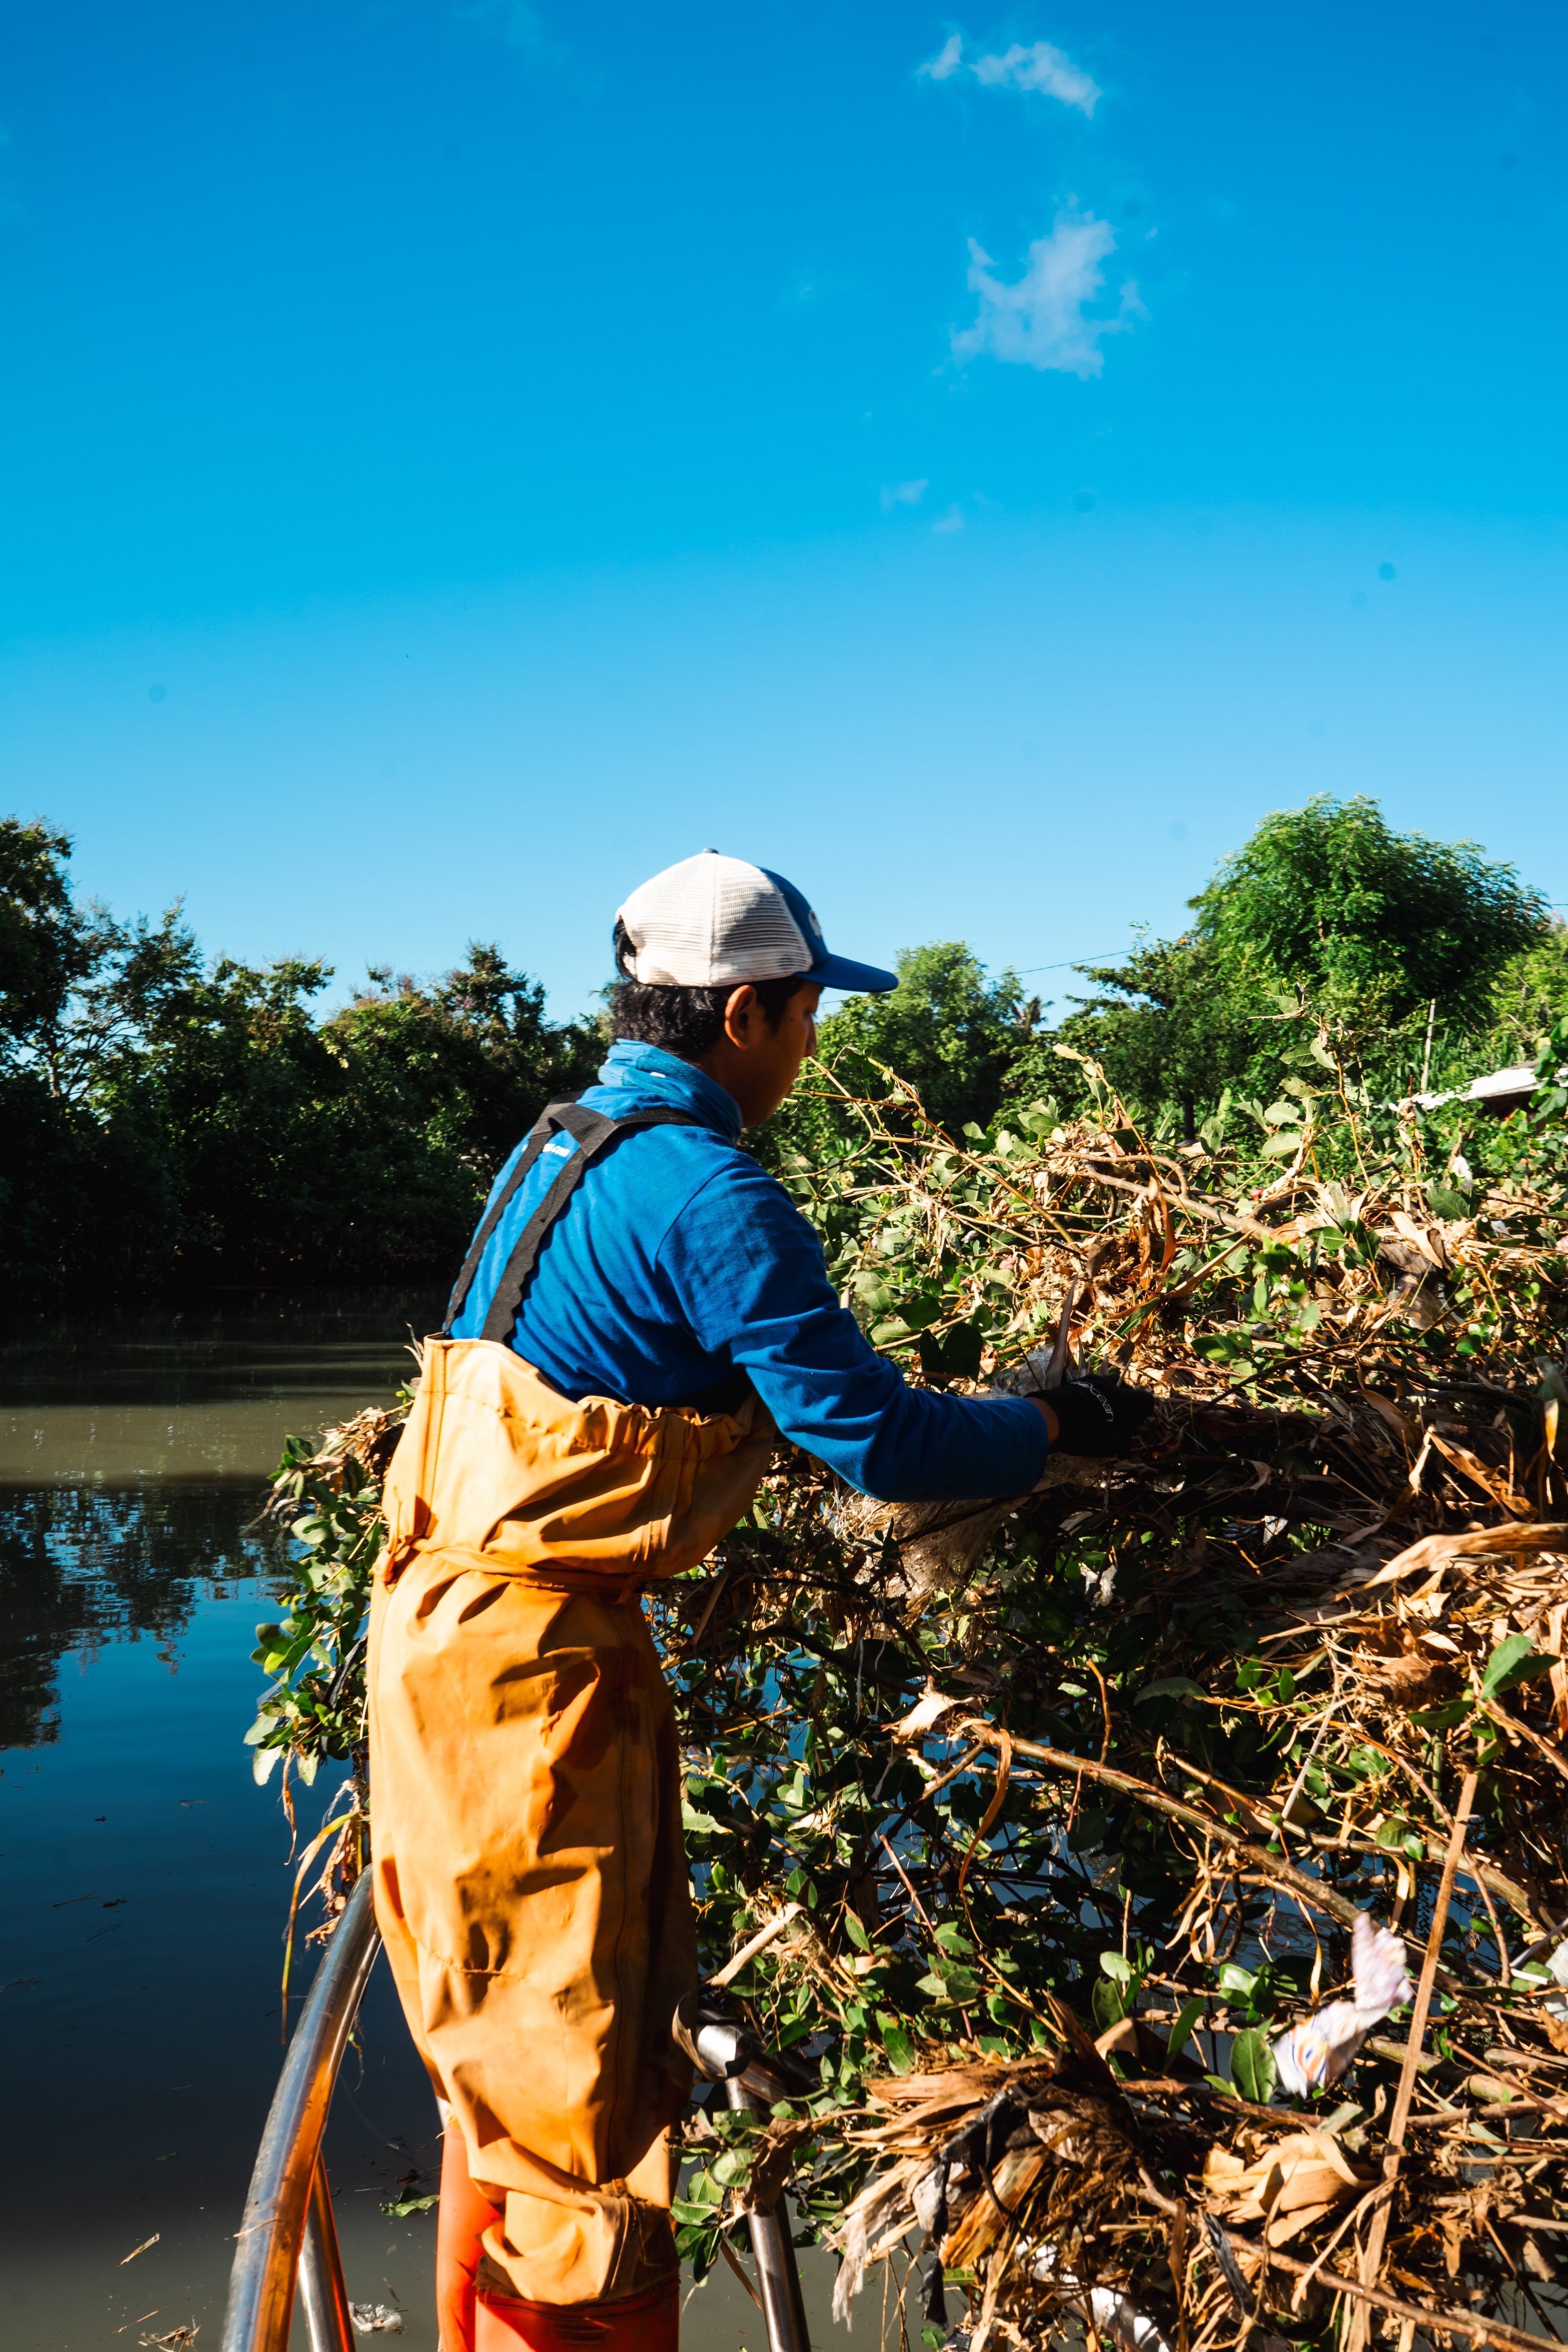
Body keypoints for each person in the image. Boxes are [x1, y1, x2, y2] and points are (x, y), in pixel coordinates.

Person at [367, 850, 1152, 2352]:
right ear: (743, 1013)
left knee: (499, 2065)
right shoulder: (711, 1184)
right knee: (576, 2109)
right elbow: (882, 1439)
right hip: (529, 1684)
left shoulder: (560, 1142)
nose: (809, 1045)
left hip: (438, 1642)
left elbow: (636, 1377)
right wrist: (1056, 1425)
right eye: (804, 1017)